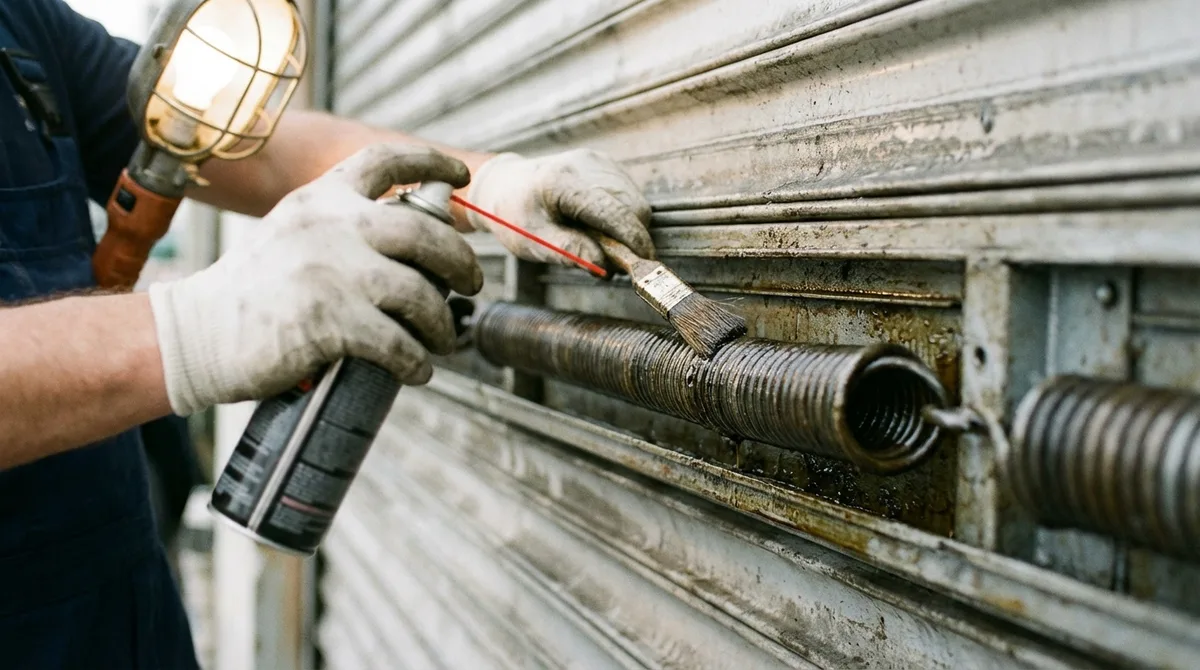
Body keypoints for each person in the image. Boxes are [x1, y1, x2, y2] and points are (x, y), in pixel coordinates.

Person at [0, 0, 655, 667]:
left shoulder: (20, 25)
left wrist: (491, 183)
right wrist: (193, 329)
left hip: (120, 605)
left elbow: (252, 144)